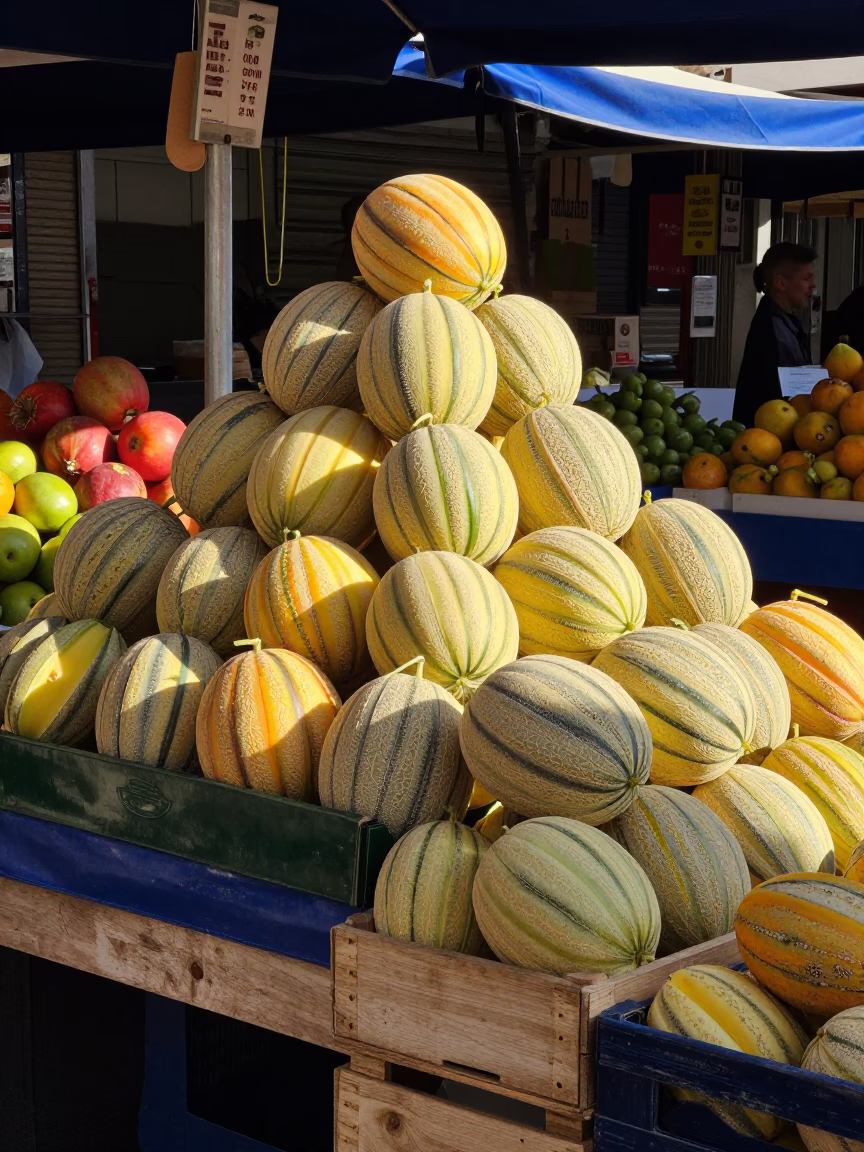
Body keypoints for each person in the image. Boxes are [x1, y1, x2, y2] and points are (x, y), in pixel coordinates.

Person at [733, 242, 816, 426]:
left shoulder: (782, 321)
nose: (813, 285)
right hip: (767, 437)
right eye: (806, 278)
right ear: (780, 283)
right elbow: (789, 393)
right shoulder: (772, 329)